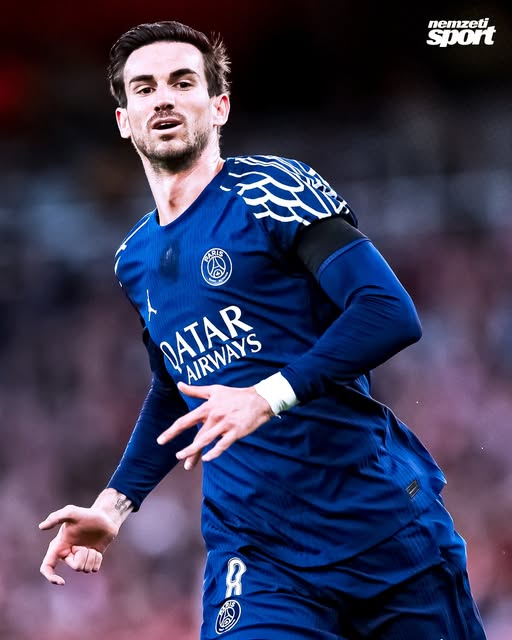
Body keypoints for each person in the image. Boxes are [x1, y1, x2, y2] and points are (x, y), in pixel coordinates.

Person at [39, 20, 487, 639]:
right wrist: (114, 506)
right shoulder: (133, 259)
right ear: (124, 120)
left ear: (219, 105)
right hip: (257, 556)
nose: (163, 98)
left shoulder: (271, 190)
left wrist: (266, 396)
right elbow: (175, 388)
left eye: (182, 82)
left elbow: (387, 311)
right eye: (144, 88)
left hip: (380, 529)